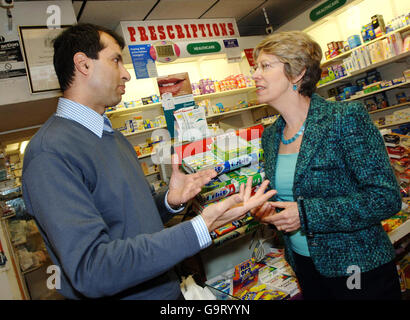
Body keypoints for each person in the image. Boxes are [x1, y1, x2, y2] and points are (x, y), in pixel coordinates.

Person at [21, 23, 276, 300]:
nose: (126, 74)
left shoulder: (113, 137)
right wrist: (201, 226)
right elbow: (92, 269)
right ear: (83, 64)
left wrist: (169, 201)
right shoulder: (51, 153)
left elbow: (126, 219)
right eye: (116, 60)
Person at [250, 30, 402, 300]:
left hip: (356, 267)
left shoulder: (344, 118)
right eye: (255, 67)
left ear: (297, 74)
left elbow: (385, 197)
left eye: (265, 65)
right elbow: (291, 201)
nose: (255, 75)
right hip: (304, 265)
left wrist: (307, 214)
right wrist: (267, 212)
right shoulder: (271, 136)